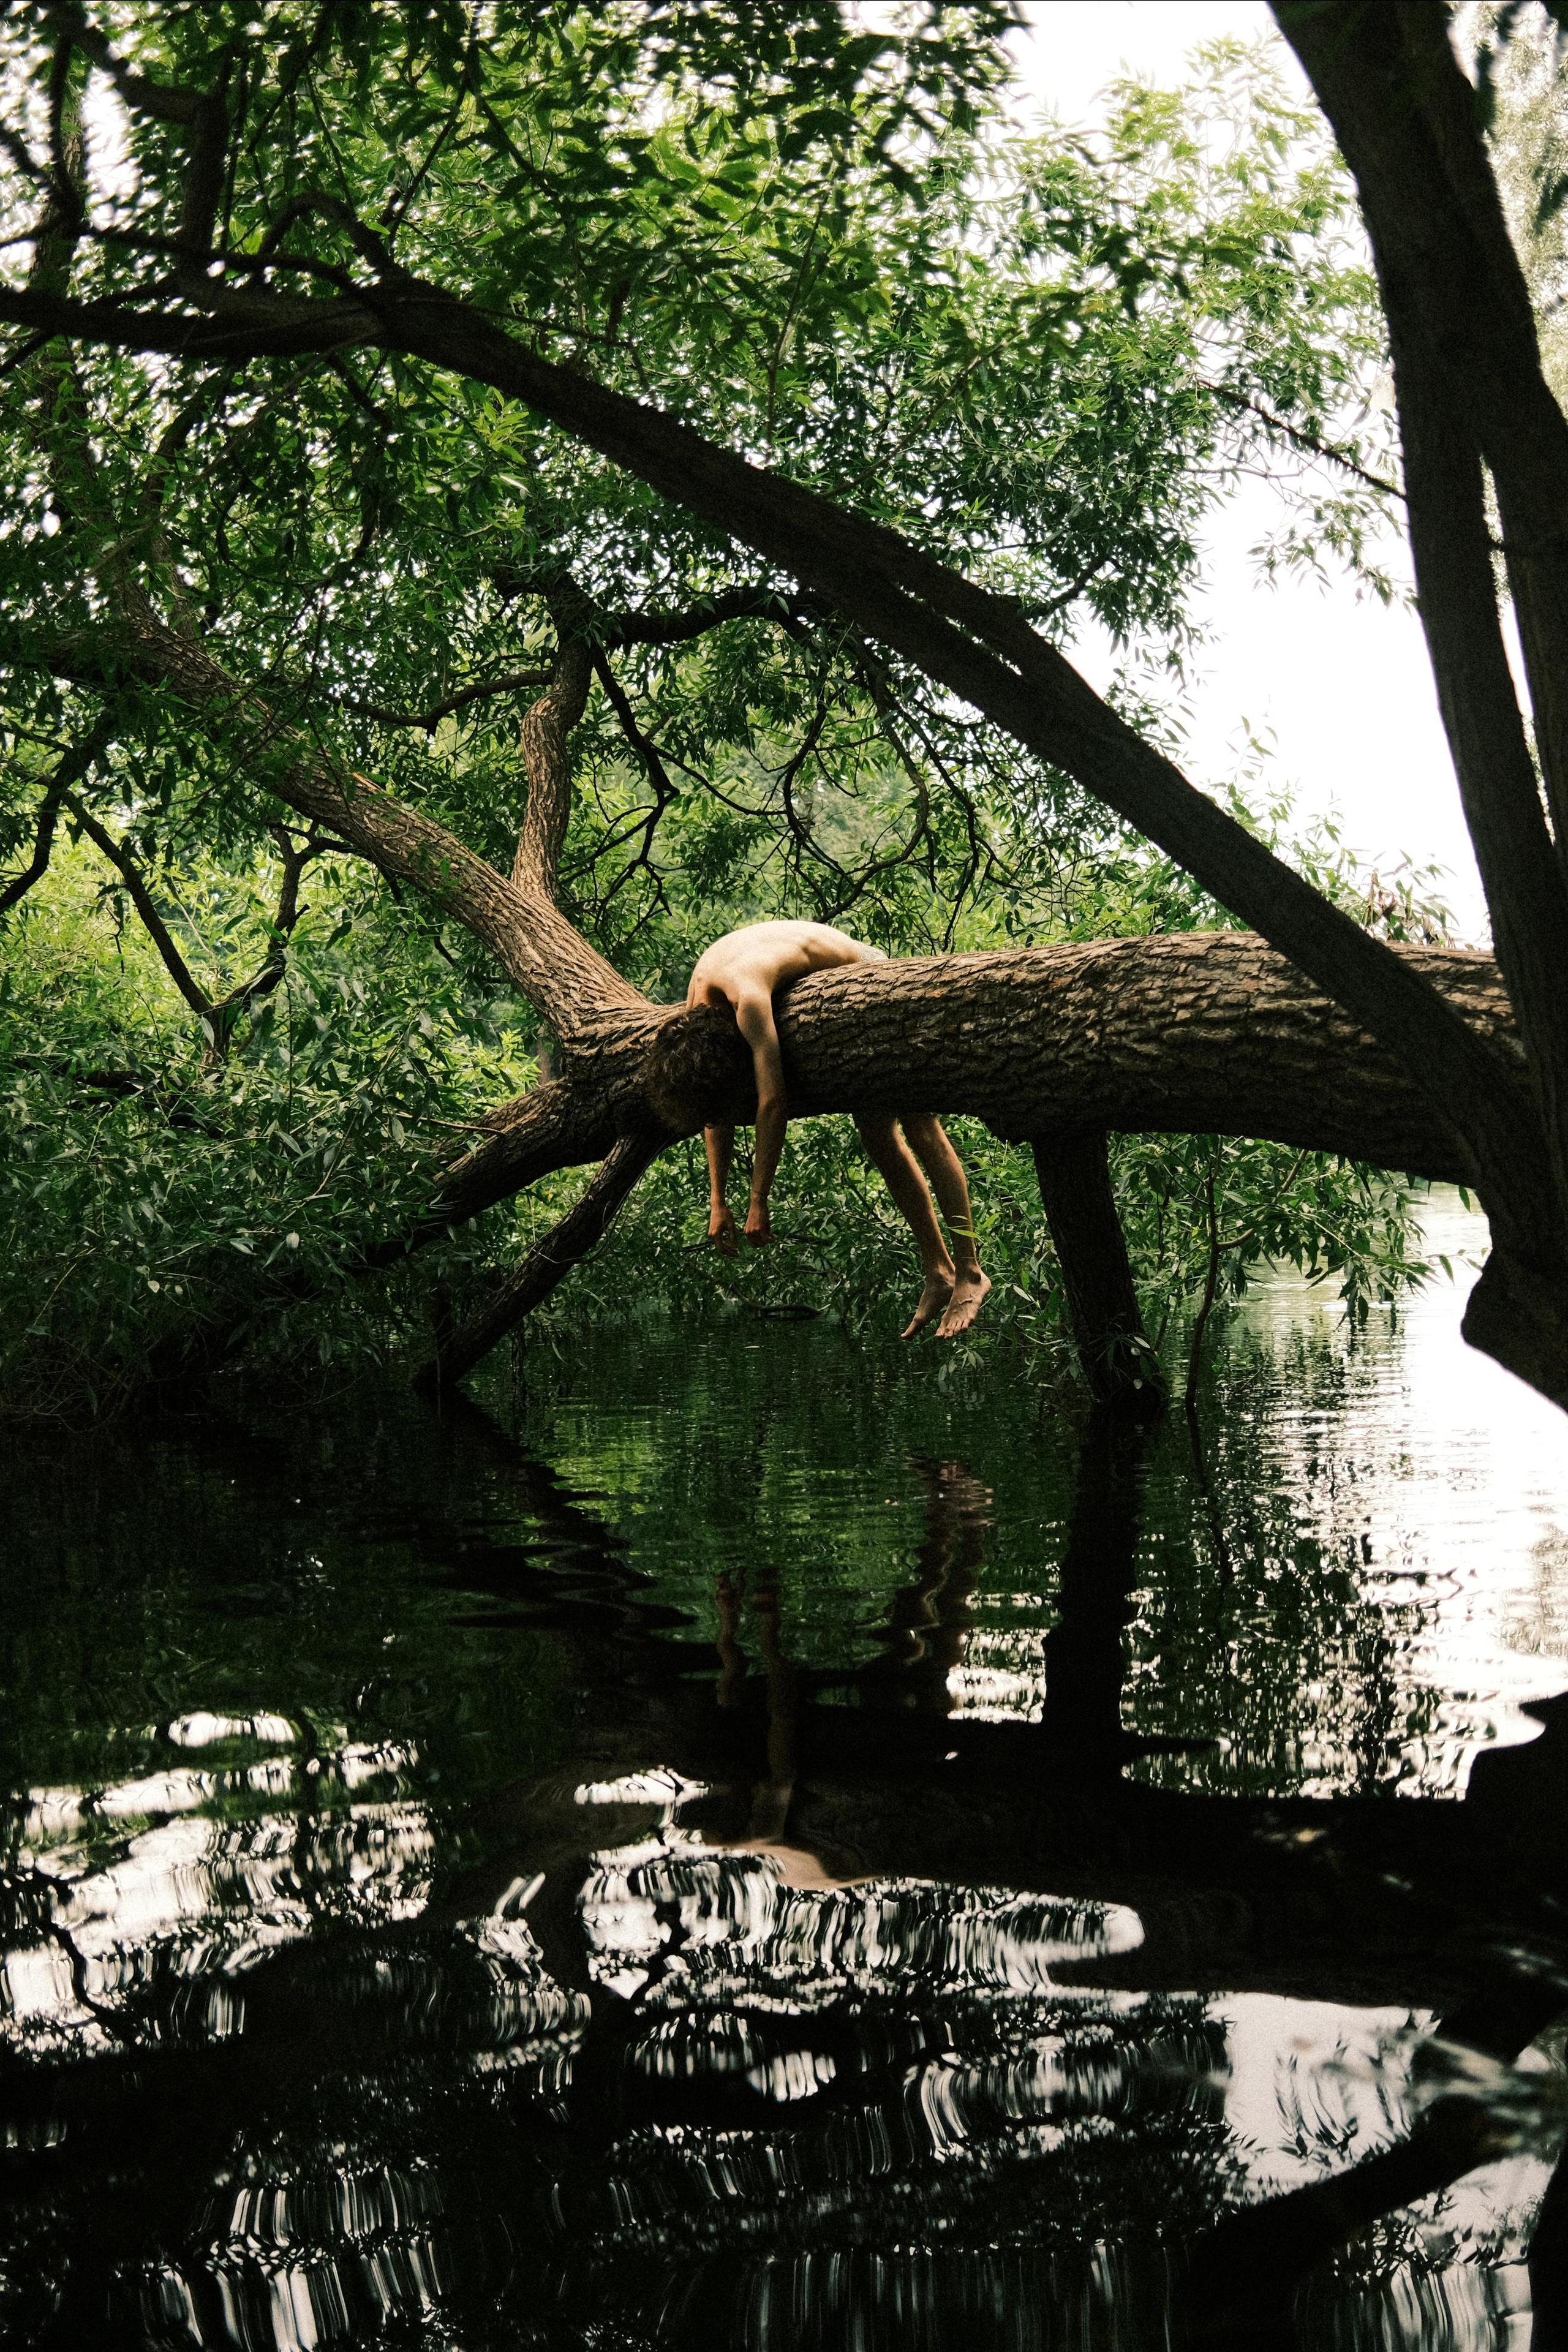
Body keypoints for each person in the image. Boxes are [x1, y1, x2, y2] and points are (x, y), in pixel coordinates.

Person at [669, 918, 990, 1340]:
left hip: (869, 976)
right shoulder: (694, 1017)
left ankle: (969, 1271)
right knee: (878, 1136)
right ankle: (938, 1270)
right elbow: (715, 1110)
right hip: (830, 988)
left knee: (919, 1125)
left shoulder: (748, 1000)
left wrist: (758, 1199)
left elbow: (772, 1102)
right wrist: (717, 1202)